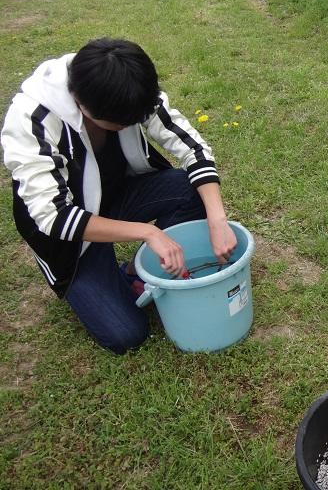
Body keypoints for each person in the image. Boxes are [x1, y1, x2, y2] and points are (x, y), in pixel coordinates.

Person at [1, 38, 237, 354]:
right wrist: (148, 231)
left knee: (189, 189)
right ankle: (93, 274)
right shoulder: (33, 120)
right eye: (123, 124)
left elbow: (192, 147)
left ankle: (132, 270)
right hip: (69, 239)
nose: (131, 125)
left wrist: (217, 217)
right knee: (127, 334)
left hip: (117, 196)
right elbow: (52, 216)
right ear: (81, 105)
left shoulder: (128, 86)